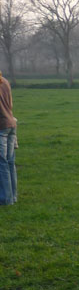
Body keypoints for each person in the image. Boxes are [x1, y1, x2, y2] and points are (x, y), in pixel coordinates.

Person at [0, 69, 17, 205]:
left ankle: (6, 199)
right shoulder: (5, 81)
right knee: (10, 162)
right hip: (11, 123)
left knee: (2, 163)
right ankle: (13, 196)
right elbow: (10, 104)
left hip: (1, 127)